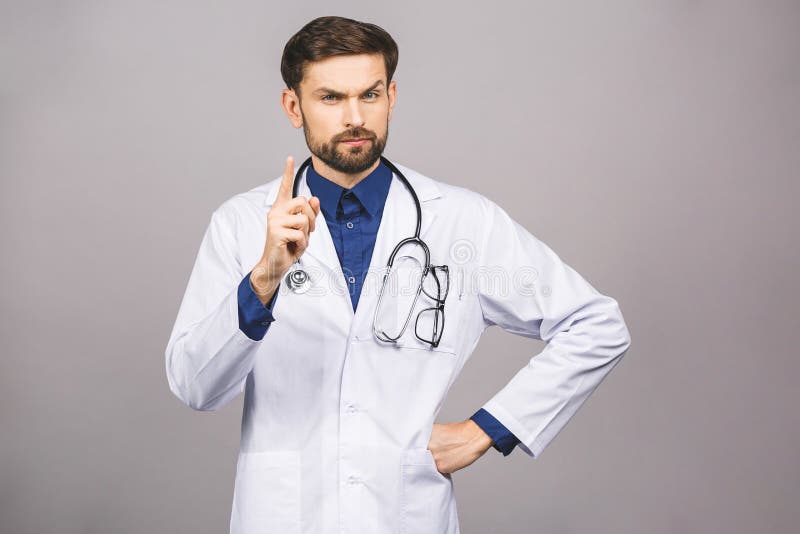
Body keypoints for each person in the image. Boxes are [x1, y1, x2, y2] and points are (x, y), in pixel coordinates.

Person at [165, 15, 631, 534]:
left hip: (404, 514)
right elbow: (194, 385)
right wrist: (264, 281)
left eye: (369, 95)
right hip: (285, 516)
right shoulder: (240, 225)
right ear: (293, 106)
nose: (354, 117)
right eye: (331, 98)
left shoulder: (462, 221)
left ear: (392, 95)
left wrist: (486, 429)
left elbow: (596, 325)